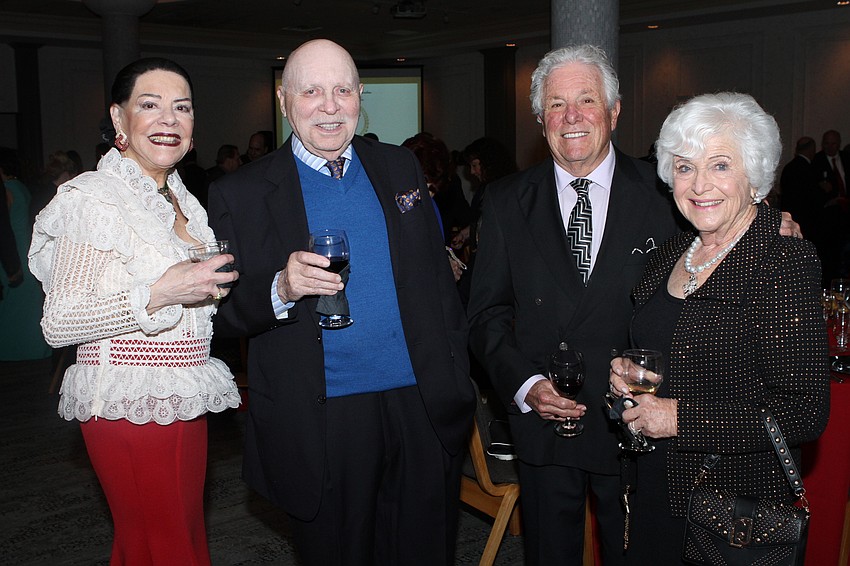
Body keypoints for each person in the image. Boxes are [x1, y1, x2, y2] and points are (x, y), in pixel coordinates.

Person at [467, 45, 804, 566]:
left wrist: (768, 222)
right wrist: (525, 385)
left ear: (615, 110)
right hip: (546, 423)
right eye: (556, 104)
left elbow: (724, 219)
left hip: (635, 430)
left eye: (586, 100)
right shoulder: (506, 199)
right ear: (540, 119)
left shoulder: (666, 189)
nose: (572, 116)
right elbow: (485, 314)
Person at [207, 39, 474, 566]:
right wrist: (280, 288)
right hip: (324, 415)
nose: (330, 106)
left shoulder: (400, 168)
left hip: (421, 404)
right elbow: (222, 311)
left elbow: (436, 285)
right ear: (285, 102)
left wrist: (456, 373)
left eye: (343, 90)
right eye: (312, 92)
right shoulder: (241, 193)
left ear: (359, 98)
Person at [28, 57, 241, 565]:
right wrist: (161, 293)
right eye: (150, 105)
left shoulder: (182, 200)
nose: (169, 119)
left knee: (161, 543)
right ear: (119, 120)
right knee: (169, 547)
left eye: (182, 107)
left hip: (180, 394)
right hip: (128, 402)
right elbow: (60, 321)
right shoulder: (93, 197)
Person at [608, 91, 830, 564]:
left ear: (756, 177)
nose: (700, 184)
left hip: (727, 511)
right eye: (685, 166)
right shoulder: (668, 256)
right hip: (651, 488)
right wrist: (628, 372)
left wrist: (679, 419)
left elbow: (805, 412)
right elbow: (668, 349)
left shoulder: (782, 259)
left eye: (721, 165)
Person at [0, 147, 51, 361]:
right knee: (27, 307)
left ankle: (10, 352)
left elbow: (3, 227)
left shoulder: (6, 189)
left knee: (10, 306)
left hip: (11, 251)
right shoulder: (21, 187)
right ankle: (35, 350)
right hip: (25, 247)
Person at [780, 136, 822, 241]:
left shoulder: (789, 167)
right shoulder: (810, 169)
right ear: (812, 149)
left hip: (791, 215)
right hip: (808, 218)